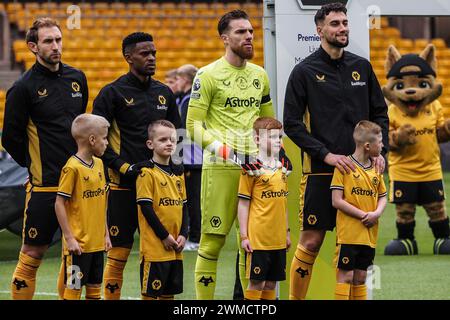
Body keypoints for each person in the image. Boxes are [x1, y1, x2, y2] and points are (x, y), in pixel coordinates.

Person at [283, 2, 389, 300]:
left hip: (361, 173)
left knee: (356, 248)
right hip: (321, 170)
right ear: (319, 30)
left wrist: (381, 152)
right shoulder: (303, 71)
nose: (342, 28)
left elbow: (380, 114)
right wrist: (325, 154)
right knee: (312, 242)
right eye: (335, 24)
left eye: (344, 22)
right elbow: (291, 123)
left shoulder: (362, 67)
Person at [186, 10, 290, 300]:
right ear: (224, 38)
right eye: (241, 32)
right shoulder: (206, 75)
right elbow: (193, 126)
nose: (248, 36)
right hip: (221, 168)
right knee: (211, 243)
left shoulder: (260, 75)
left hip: (257, 170)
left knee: (254, 244)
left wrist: (278, 154)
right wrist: (229, 153)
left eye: (251, 32)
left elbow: (269, 125)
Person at [2, 17, 88, 300]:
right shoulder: (23, 88)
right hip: (45, 187)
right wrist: (34, 165)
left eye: (59, 40)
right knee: (32, 253)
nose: (56, 46)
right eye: (48, 41)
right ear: (32, 47)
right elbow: (10, 139)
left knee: (77, 253)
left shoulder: (78, 78)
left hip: (78, 185)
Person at [92, 32, 181, 300]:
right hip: (122, 187)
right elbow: (97, 141)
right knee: (118, 253)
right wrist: (124, 167)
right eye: (145, 53)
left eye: (153, 52)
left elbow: (179, 133)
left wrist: (177, 171)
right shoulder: (111, 93)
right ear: (128, 57)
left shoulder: (164, 93)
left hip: (159, 189)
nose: (152, 58)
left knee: (163, 252)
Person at [54, 114, 112, 300]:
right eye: (104, 138)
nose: (107, 143)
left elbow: (102, 202)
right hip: (78, 245)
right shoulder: (72, 168)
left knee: (95, 288)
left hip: (97, 244)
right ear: (92, 139)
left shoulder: (100, 164)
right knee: (74, 290)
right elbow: (59, 203)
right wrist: (69, 238)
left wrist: (106, 234)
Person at [330, 120, 387, 300]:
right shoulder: (344, 167)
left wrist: (376, 213)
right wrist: (364, 215)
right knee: (345, 277)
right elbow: (337, 201)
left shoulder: (376, 169)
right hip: (349, 235)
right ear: (368, 146)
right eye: (380, 142)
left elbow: (383, 196)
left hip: (369, 236)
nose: (383, 145)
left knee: (360, 279)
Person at [238, 117, 291, 300]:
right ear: (257, 139)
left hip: (277, 239)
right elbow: (243, 203)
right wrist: (244, 236)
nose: (278, 140)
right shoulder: (251, 169)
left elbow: (282, 204)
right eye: (272, 137)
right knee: (257, 283)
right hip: (258, 240)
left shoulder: (282, 169)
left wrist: (287, 232)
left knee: (271, 283)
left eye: (279, 137)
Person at [136, 120, 188, 300]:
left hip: (175, 248)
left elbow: (184, 206)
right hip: (155, 247)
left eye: (172, 140)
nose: (169, 143)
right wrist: (164, 236)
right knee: (151, 294)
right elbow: (146, 209)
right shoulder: (146, 173)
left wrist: (184, 234)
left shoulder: (179, 172)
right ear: (150, 144)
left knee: (169, 294)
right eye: (163, 139)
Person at [175, 64, 202, 250]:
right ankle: (194, 235)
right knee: (191, 199)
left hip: (192, 159)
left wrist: (178, 158)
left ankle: (195, 238)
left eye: (177, 78)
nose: (176, 82)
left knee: (193, 200)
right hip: (192, 157)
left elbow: (183, 131)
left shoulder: (188, 101)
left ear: (185, 79)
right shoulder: (185, 99)